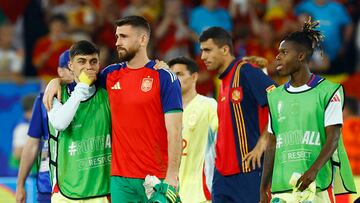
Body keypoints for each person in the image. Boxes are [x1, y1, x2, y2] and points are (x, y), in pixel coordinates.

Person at [43, 16, 183, 203]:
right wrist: (57, 81)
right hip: (119, 180)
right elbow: (83, 78)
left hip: (156, 176)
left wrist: (172, 175)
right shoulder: (110, 75)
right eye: (117, 37)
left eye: (123, 37)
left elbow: (175, 131)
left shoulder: (164, 77)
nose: (117, 42)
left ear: (143, 39)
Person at [260, 19, 356, 203]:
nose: (277, 57)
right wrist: (264, 188)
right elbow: (271, 143)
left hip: (316, 187)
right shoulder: (275, 96)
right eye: (278, 52)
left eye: (284, 52)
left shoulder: (328, 91)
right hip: (282, 190)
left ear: (301, 56)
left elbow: (333, 138)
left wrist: (313, 171)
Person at [198, 26, 277, 203]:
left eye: (207, 50)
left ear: (225, 49)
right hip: (222, 175)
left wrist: (263, 142)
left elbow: (279, 101)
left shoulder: (245, 71)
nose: (203, 56)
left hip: (247, 171)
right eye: (202, 51)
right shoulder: (224, 81)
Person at [47, 40, 111, 202]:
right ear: (70, 65)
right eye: (81, 61)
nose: (88, 67)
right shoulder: (56, 94)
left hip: (100, 190)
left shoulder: (108, 93)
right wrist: (82, 86)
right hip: (66, 190)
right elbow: (60, 124)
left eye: (93, 61)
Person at [16, 50, 73, 203]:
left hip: (84, 183)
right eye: (69, 66)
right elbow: (32, 145)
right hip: (48, 184)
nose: (74, 71)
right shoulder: (42, 101)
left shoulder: (92, 97)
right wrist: (20, 184)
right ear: (60, 71)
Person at [168, 56, 218, 203]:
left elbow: (224, 142)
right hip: (170, 195)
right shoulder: (164, 112)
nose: (174, 79)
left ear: (194, 77)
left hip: (200, 195)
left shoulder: (208, 106)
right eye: (171, 75)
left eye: (179, 74)